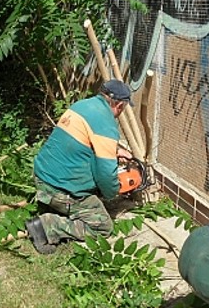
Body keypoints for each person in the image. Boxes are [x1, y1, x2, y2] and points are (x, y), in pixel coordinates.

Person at [25, 79, 135, 254]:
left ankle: (52, 205)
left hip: (42, 176)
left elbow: (83, 143)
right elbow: (106, 175)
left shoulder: (82, 106)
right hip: (59, 190)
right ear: (120, 105)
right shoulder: (106, 124)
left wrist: (115, 151)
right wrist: (113, 192)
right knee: (102, 227)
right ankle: (47, 226)